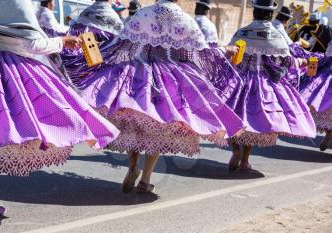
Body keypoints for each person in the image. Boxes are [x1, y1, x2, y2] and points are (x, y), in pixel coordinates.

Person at [78, 0, 244, 193]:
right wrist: (226, 51)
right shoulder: (184, 19)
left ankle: (133, 166)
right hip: (170, 79)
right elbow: (203, 53)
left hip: (137, 73)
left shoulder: (143, 14)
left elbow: (119, 44)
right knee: (159, 129)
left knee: (134, 123)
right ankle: (146, 179)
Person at [0, 0, 119, 216]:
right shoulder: (17, 3)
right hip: (7, 71)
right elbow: (32, 45)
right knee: (1, 137)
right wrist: (62, 42)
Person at [226, 0, 316, 171]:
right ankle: (245, 160)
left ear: (254, 12)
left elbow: (231, 55)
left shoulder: (243, 31)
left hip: (240, 80)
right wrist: (305, 62)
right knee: (254, 120)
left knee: (233, 114)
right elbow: (287, 61)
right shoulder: (275, 36)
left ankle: (235, 150)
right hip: (264, 84)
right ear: (270, 14)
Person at [61, 0, 124, 80]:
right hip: (96, 70)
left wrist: (71, 21)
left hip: (73, 67)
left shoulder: (85, 13)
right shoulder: (115, 19)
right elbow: (118, 42)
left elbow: (75, 32)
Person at [300, 26, 332, 151]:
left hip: (326, 66)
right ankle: (328, 134)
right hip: (327, 66)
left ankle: (328, 135)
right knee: (324, 105)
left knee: (324, 105)